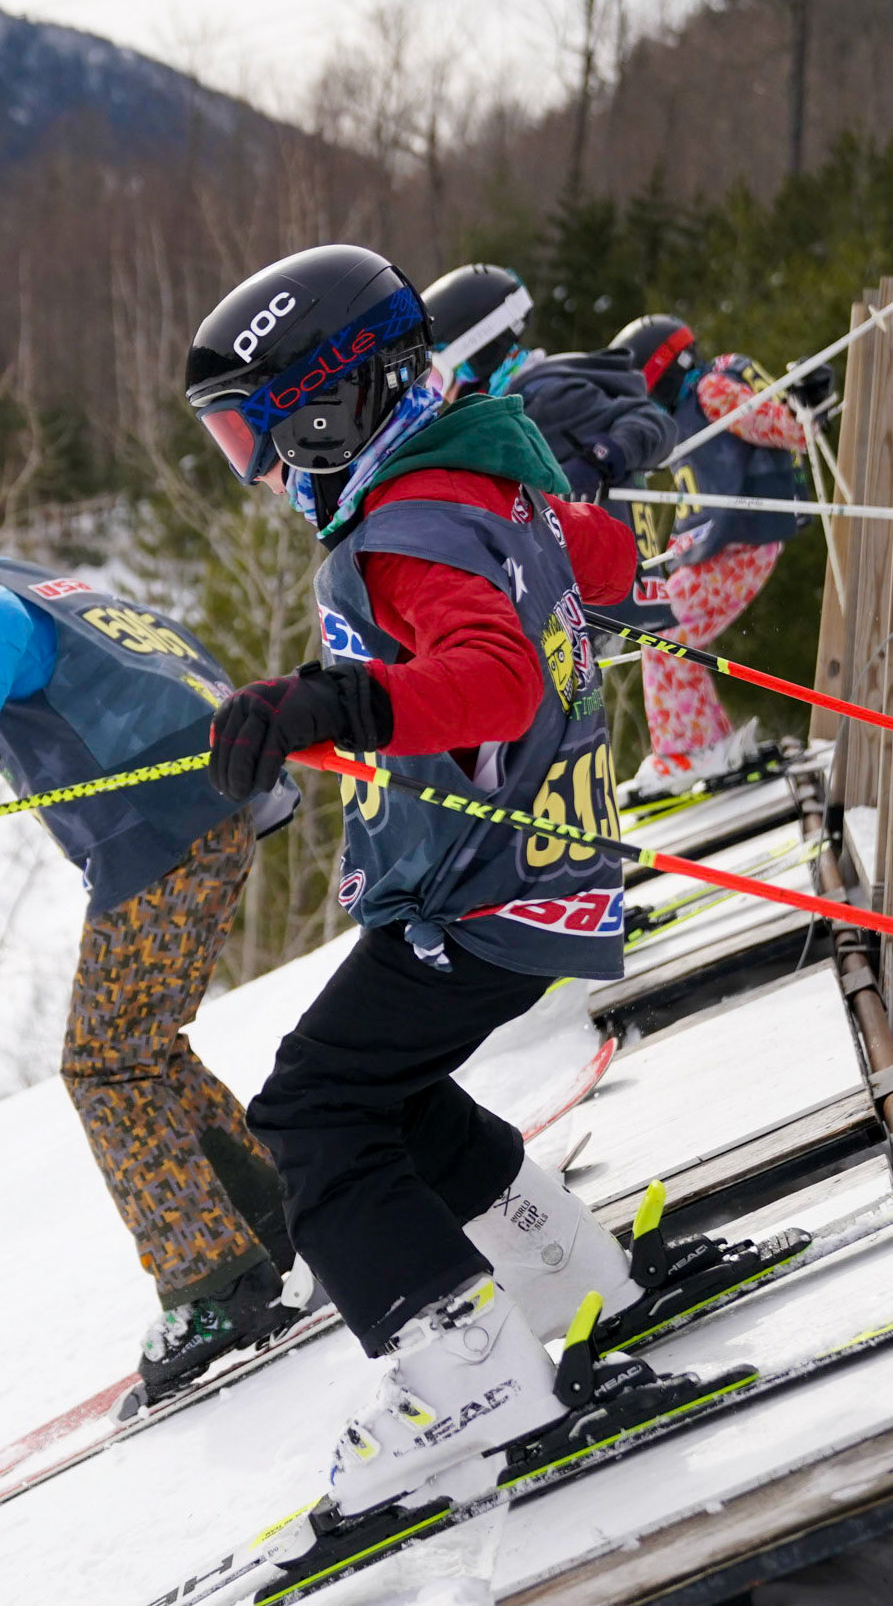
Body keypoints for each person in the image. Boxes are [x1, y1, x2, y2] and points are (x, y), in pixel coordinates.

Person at [183, 244, 775, 1520]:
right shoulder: (488, 476)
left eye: (257, 438)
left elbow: (493, 679)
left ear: (333, 404)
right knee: (379, 1091)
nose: (265, 473)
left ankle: (467, 1378)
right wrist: (568, 595)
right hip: (539, 874)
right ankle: (573, 1286)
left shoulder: (403, 533)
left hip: (476, 887)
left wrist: (340, 696)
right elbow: (600, 558)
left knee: (312, 1111)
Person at [0, 457, 305, 1400]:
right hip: (202, 810)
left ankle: (215, 1284)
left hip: (159, 826)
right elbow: (167, 658)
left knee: (104, 1065)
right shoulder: (36, 578)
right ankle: (275, 1212)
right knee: (142, 1049)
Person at [607, 315, 831, 798]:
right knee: (667, 633)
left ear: (659, 371)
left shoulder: (711, 391)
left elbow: (788, 430)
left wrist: (806, 407)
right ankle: (706, 744)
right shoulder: (686, 406)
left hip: (740, 544)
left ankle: (687, 750)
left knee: (665, 632)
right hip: (719, 545)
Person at [423, 262, 679, 632]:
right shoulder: (503, 408)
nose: (439, 394)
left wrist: (602, 457)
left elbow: (654, 422)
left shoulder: (544, 396)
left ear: (476, 351)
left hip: (596, 595)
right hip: (577, 593)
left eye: (439, 376)